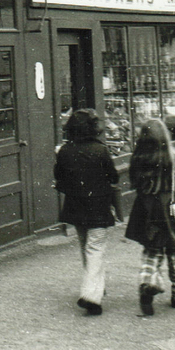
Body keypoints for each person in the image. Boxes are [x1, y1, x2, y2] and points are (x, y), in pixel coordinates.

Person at [54, 109, 120, 316]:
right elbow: (114, 177)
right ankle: (93, 294)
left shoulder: (64, 151)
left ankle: (95, 288)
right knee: (95, 248)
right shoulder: (101, 151)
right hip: (98, 206)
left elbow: (59, 181)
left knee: (86, 247)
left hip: (76, 206)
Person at [125, 118, 175, 316]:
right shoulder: (174, 158)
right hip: (171, 209)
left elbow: (134, 183)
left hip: (147, 210)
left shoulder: (137, 159)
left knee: (152, 251)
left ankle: (147, 282)